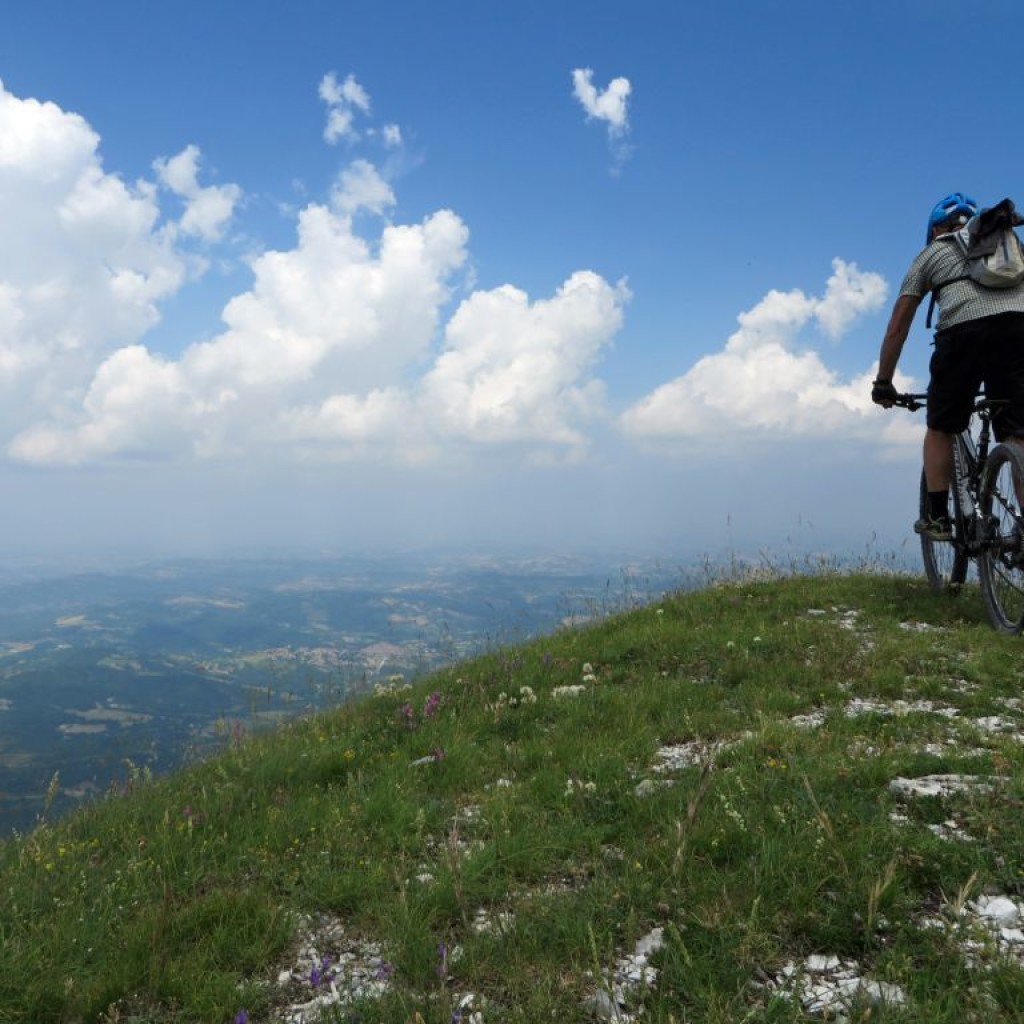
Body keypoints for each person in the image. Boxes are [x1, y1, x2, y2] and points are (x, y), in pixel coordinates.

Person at [872, 192, 1024, 540]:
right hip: (1018, 332)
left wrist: (883, 381)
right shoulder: (1010, 245)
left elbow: (898, 325)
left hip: (963, 333)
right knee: (1018, 432)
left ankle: (937, 517)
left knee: (941, 425)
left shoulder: (932, 253)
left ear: (936, 229)